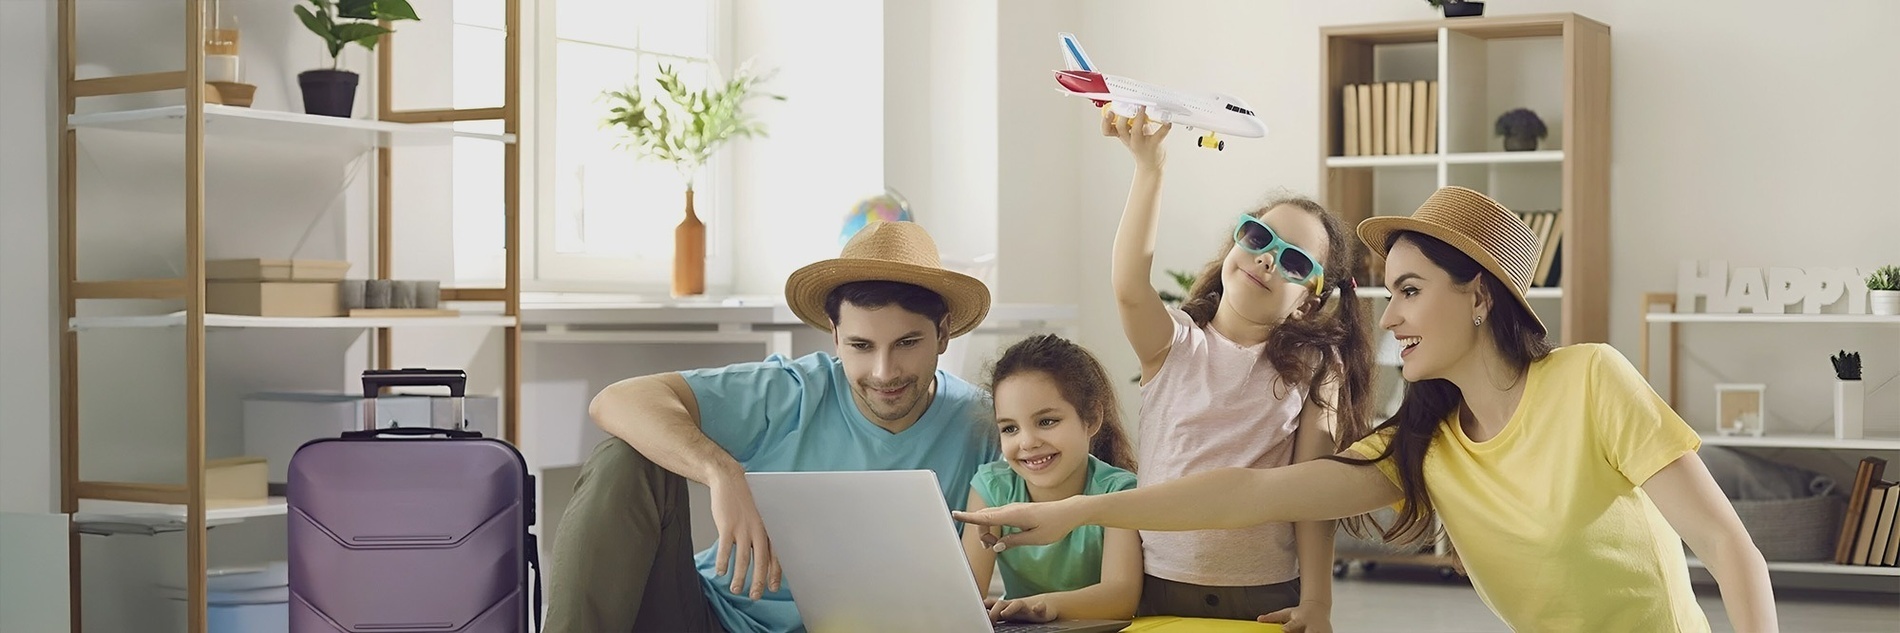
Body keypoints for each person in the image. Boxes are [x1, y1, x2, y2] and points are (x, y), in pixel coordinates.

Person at [955, 186, 1780, 632]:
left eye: (1413, 293)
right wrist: (1080, 512)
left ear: (1482, 298)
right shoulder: (1423, 444)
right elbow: (1248, 492)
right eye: (1390, 294)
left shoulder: (1592, 379)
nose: (1389, 319)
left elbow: (1726, 544)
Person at [545, 221, 1002, 633]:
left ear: (943, 333)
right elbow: (617, 400)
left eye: (907, 343)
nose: (884, 372)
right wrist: (722, 473)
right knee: (623, 458)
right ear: (835, 334)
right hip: (703, 617)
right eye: (861, 345)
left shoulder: (984, 424)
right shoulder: (790, 391)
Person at [1104, 106, 1374, 630]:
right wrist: (1150, 168)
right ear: (1236, 245)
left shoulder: (1317, 369)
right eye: (1257, 237)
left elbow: (1314, 492)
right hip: (1158, 584)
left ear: (1308, 302)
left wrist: (1318, 601)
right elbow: (1128, 284)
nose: (1269, 258)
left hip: (1265, 595)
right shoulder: (1174, 343)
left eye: (1296, 262)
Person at [961, 334, 1143, 624]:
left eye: (1047, 422)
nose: (1028, 442)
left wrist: (1040, 606)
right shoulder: (992, 487)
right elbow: (965, 598)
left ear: (1092, 418)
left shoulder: (1119, 491)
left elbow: (1121, 597)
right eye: (1010, 428)